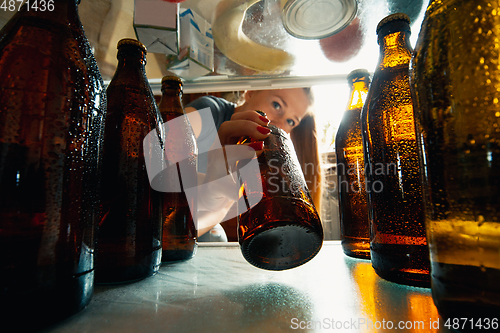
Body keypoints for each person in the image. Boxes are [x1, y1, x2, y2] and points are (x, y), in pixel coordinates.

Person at [185, 88, 322, 241]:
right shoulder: (210, 110)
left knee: (218, 237)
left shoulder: (256, 157)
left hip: (185, 225)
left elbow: (210, 217)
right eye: (277, 105)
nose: (278, 124)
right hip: (164, 209)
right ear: (251, 92)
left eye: (291, 121)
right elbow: (161, 159)